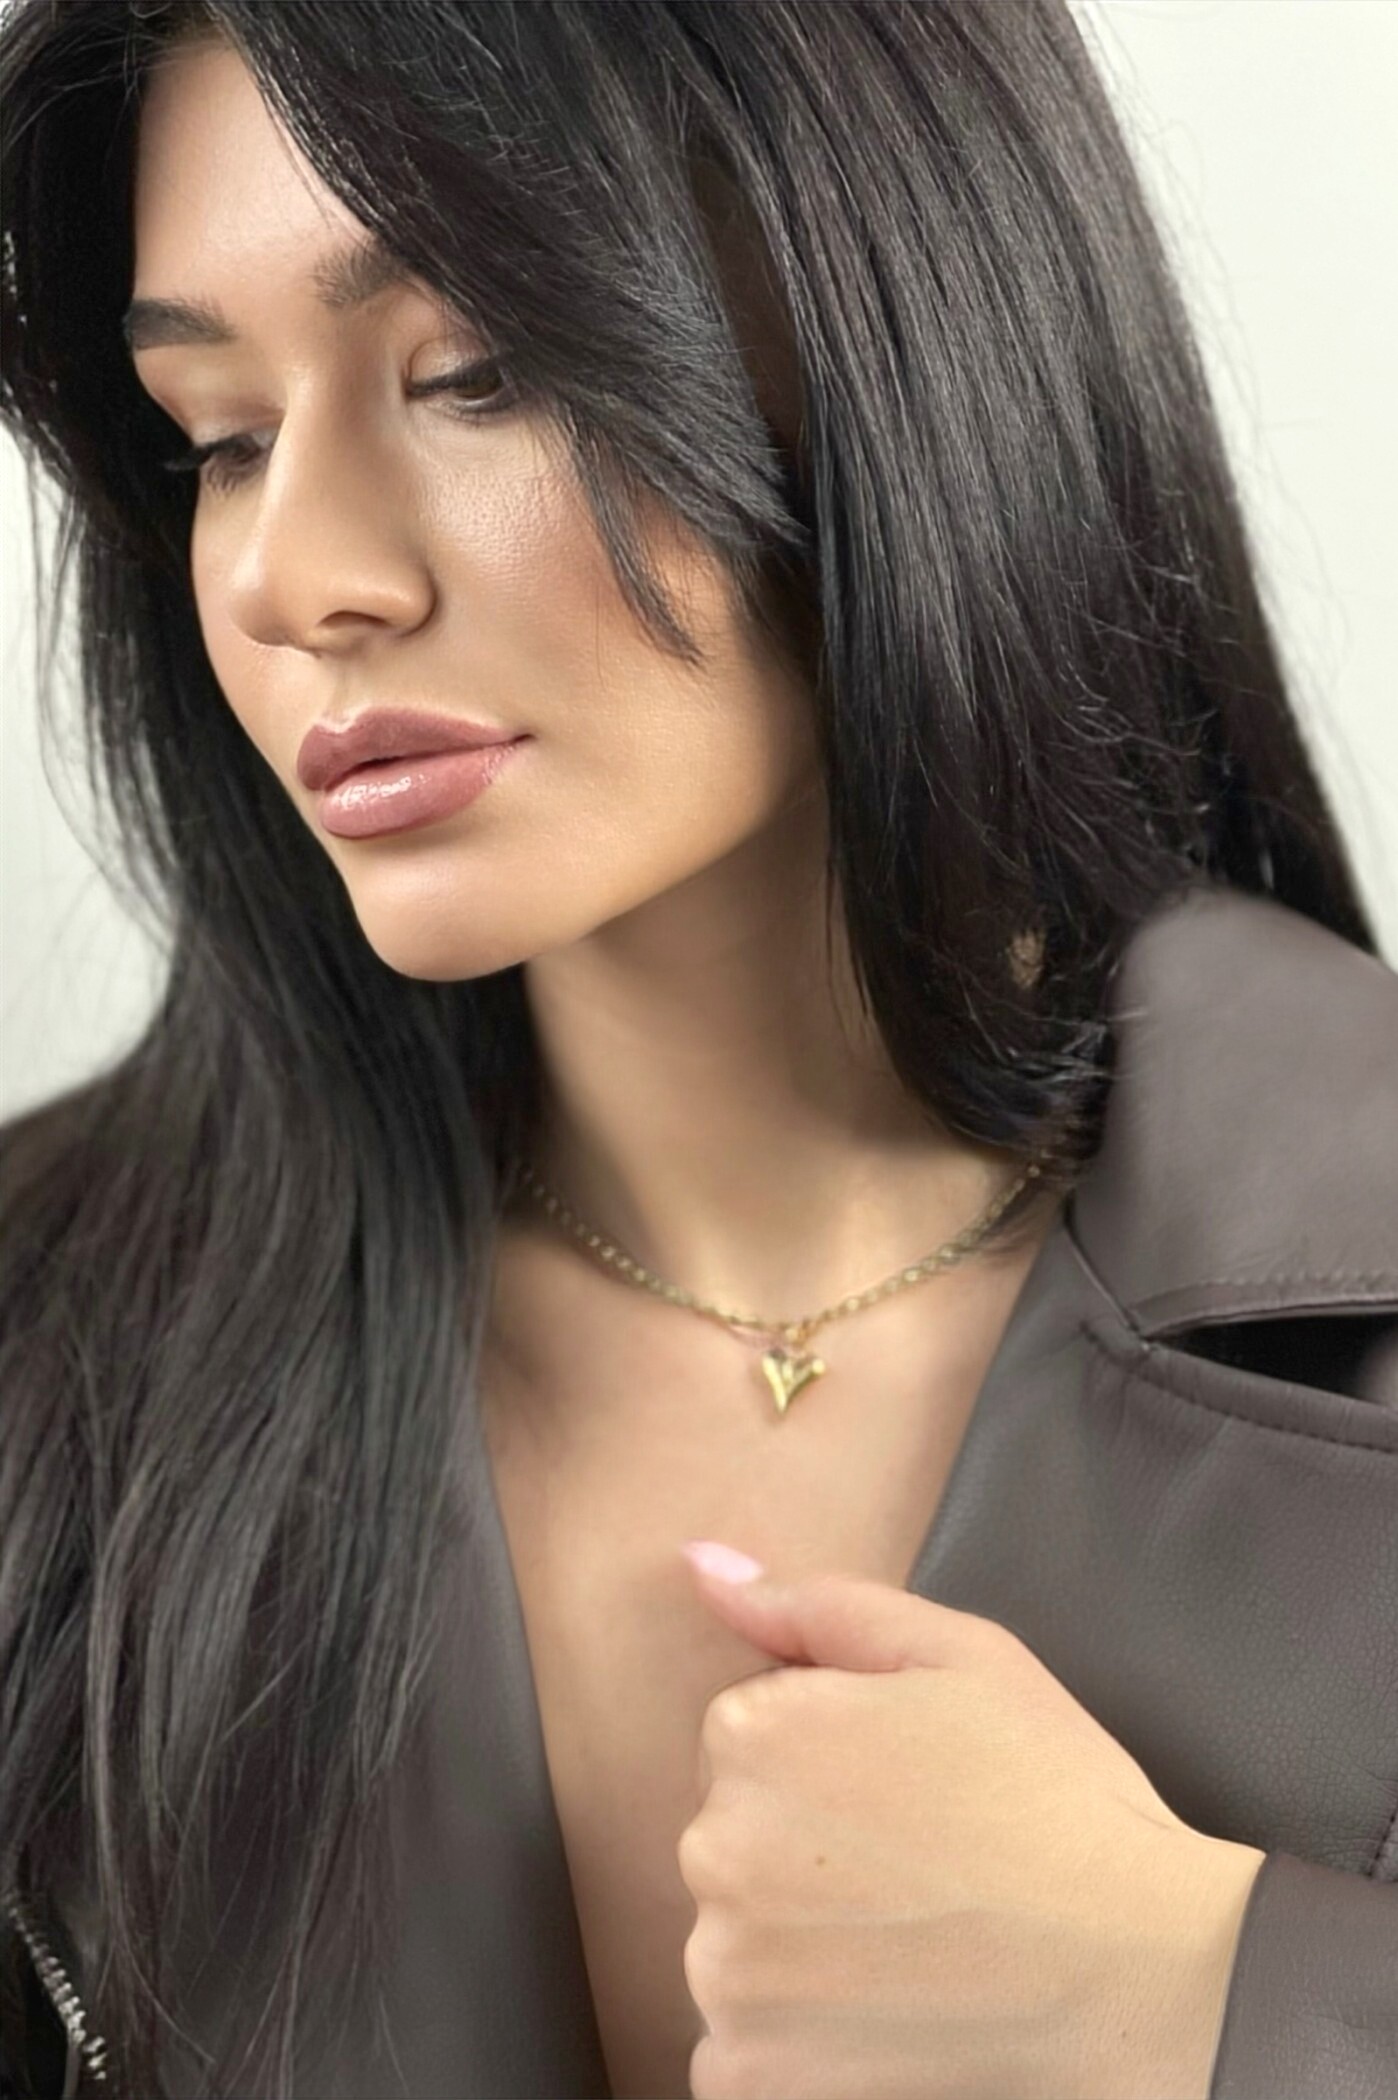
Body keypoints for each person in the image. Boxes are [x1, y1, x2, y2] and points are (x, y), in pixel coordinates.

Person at [0, 2, 1394, 2097]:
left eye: (477, 372)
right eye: (220, 436)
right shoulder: (48, 1355)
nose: (296, 578)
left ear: (898, 326)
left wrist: (1219, 2004)